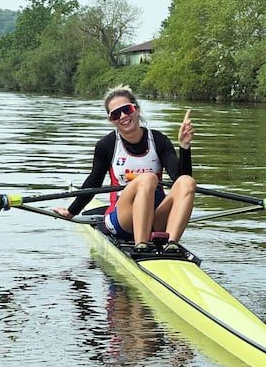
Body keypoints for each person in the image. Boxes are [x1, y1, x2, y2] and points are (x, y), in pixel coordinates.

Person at [54, 85, 196, 252]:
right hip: (123, 219)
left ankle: (172, 245)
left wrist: (184, 147)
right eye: (115, 114)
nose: (122, 116)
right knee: (149, 178)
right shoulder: (106, 145)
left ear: (137, 109)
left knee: (188, 182)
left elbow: (180, 182)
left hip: (157, 218)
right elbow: (94, 181)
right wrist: (72, 211)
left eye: (126, 109)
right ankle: (141, 245)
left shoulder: (158, 140)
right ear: (111, 120)